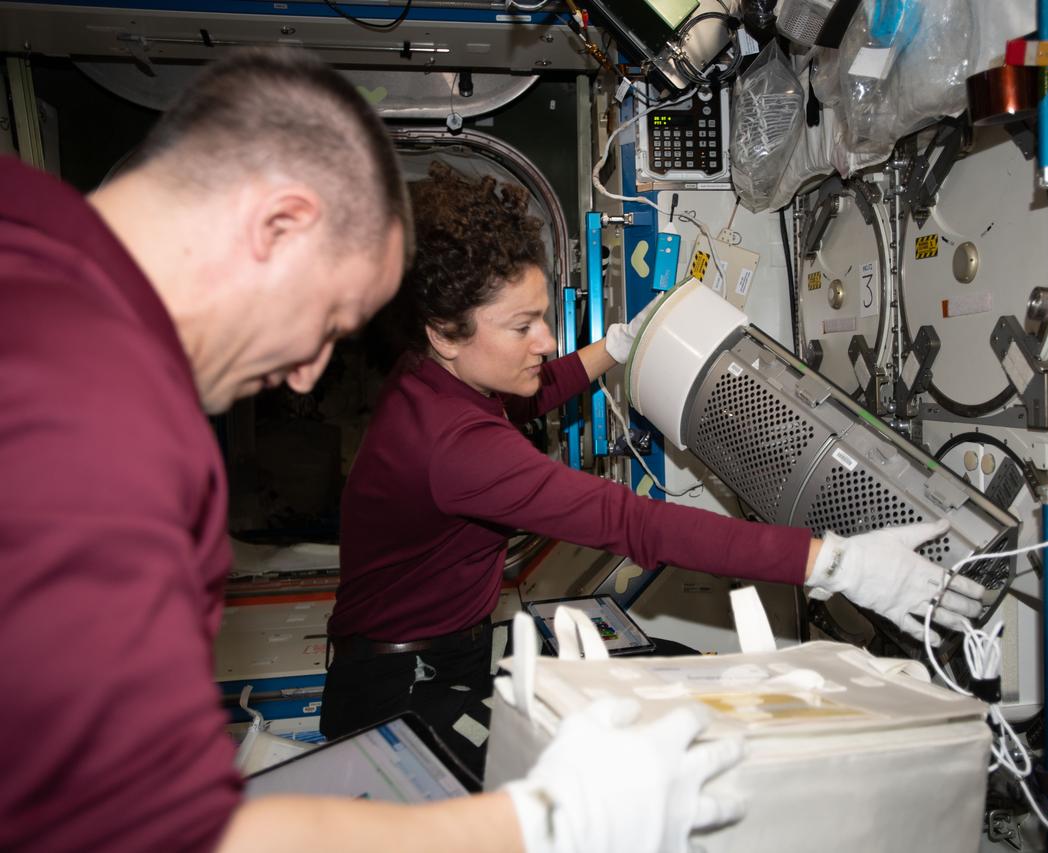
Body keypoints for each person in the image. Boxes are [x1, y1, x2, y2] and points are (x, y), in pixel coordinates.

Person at [0, 48, 741, 853]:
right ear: (277, 225)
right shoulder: (109, 431)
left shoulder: (31, 232)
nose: (311, 370)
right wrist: (546, 819)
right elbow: (159, 827)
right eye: (326, 320)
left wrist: (610, 351)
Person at [322, 163, 989, 773]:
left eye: (545, 316)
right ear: (445, 331)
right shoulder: (454, 447)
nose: (546, 339)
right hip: (399, 689)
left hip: (439, 654)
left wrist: (615, 348)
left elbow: (530, 389)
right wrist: (839, 564)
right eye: (522, 326)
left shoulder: (433, 376)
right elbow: (630, 521)